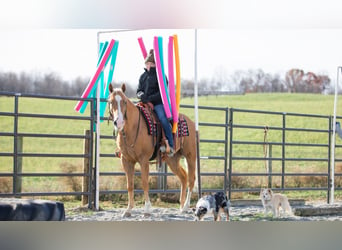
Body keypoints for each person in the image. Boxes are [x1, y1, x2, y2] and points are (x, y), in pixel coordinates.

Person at [136, 49, 174, 156]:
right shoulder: (143, 76)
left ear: (155, 64)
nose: (149, 65)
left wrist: (149, 99)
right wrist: (142, 97)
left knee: (162, 118)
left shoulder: (161, 76)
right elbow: (138, 91)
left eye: (151, 63)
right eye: (147, 63)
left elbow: (162, 93)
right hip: (144, 103)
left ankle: (170, 145)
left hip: (158, 103)